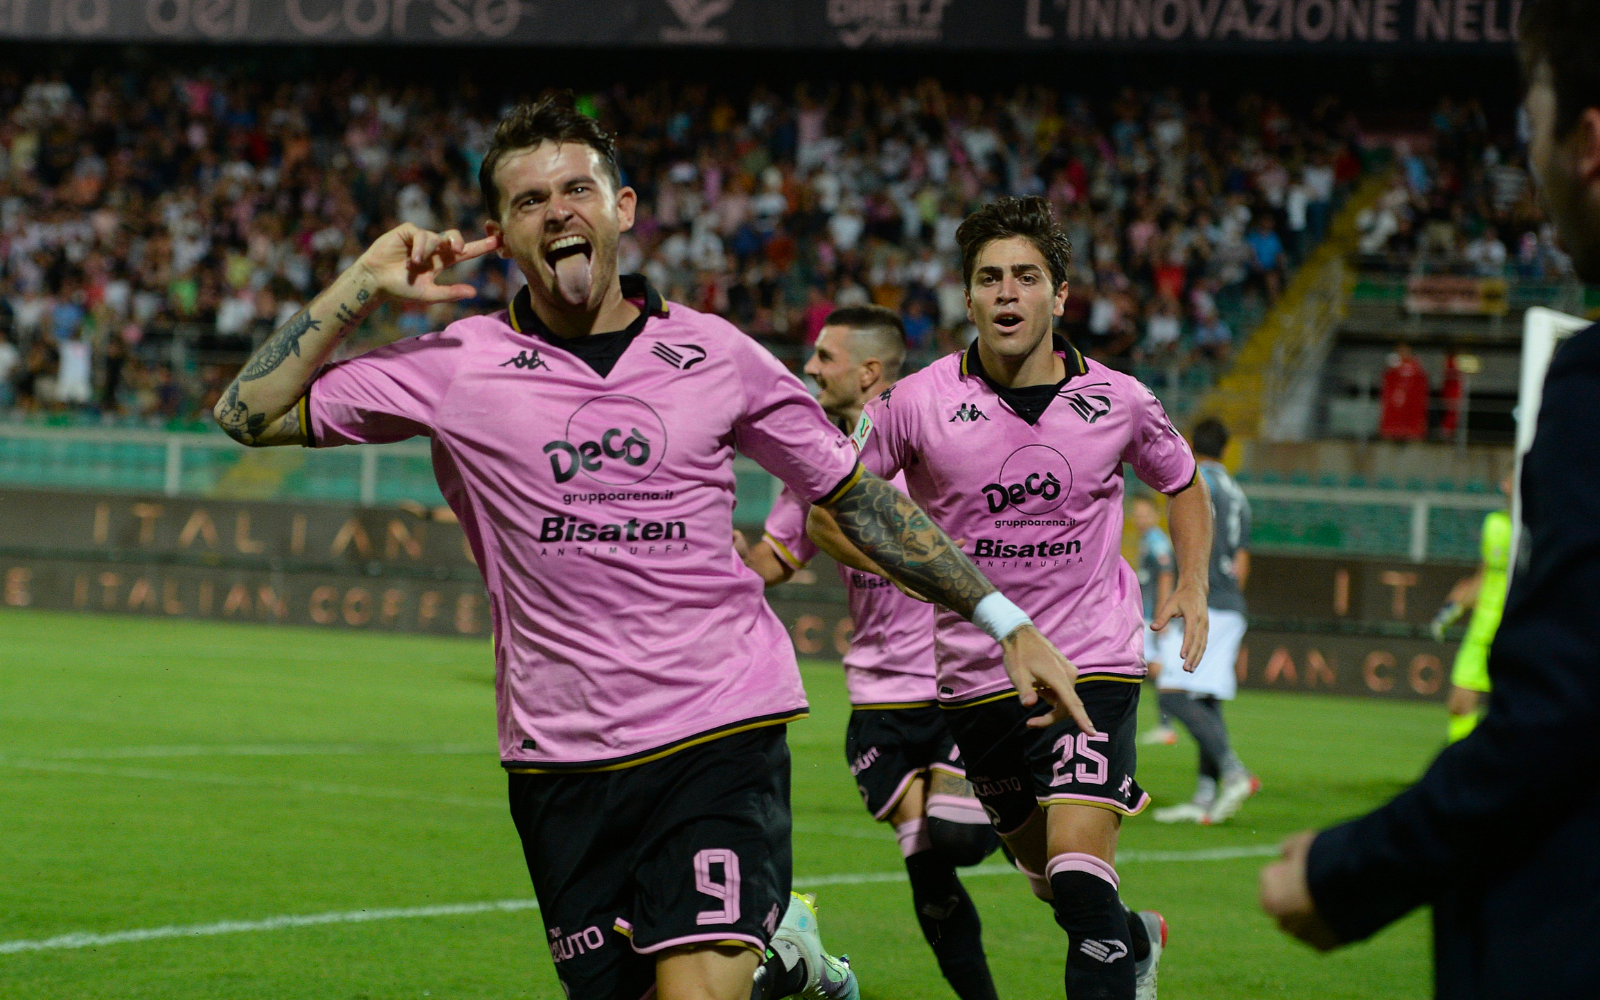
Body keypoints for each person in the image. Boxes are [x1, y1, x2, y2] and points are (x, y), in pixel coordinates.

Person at [212, 95, 1083, 1000]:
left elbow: (852, 496)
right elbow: (248, 412)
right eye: (528, 200)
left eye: (577, 188)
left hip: (719, 725)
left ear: (622, 209)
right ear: (500, 236)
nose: (558, 211)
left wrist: (1003, 617)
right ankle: (785, 966)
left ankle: (757, 959)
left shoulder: (717, 354)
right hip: (559, 755)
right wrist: (362, 279)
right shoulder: (453, 364)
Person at [1261, 6, 1600, 996]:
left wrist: (1345, 871)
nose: (1527, 172)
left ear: (1588, 143)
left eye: (1530, 129)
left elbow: (1559, 717)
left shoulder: (1589, 385)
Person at [810, 196, 1215, 1000]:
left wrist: (1194, 582)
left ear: (1059, 296)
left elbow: (1185, 481)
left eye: (1026, 277)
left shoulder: (1120, 399)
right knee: (1049, 883)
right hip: (974, 682)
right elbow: (831, 506)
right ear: (966, 298)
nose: (1006, 293)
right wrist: (915, 571)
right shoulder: (913, 403)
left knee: (1078, 874)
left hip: (1092, 660)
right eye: (989, 278)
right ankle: (1135, 940)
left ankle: (1115, 941)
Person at [742, 304, 1002, 1000]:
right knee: (930, 872)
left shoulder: (937, 441)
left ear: (871, 370)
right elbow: (775, 557)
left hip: (958, 685)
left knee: (959, 840)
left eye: (824, 357)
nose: (810, 367)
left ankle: (1117, 925)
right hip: (879, 698)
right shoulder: (810, 454)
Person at [1150, 419, 1258, 825]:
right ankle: (1204, 797)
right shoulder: (1240, 494)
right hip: (1230, 601)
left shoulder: (1192, 482)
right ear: (1227, 448)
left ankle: (1234, 773)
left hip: (1205, 600)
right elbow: (1242, 558)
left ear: (1191, 446)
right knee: (1206, 699)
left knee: (1172, 692)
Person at [1429, 477, 1513, 742]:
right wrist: (1454, 609)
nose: (1503, 485)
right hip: (1483, 626)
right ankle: (1461, 767)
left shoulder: (1543, 525)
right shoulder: (1495, 524)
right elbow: (1484, 575)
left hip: (1520, 626)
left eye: (1510, 479)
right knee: (1459, 703)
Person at [1131, 497, 1180, 748]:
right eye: (1136, 514)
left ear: (1155, 515)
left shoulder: (1157, 541)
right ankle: (1165, 725)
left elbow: (1165, 575)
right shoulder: (1146, 540)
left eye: (1144, 514)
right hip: (1147, 613)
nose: (1139, 519)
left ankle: (1166, 725)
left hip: (1153, 615)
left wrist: (1163, 614)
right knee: (1152, 668)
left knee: (1154, 668)